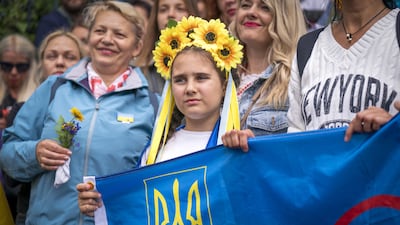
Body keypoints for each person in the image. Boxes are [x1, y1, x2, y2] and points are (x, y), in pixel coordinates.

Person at [0, 1, 155, 224]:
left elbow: (156, 183)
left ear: (137, 47)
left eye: (119, 34)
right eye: (100, 31)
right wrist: (34, 154)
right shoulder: (54, 88)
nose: (107, 39)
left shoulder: (151, 105)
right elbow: (8, 155)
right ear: (89, 37)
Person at [76, 16, 243, 216]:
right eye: (180, 80)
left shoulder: (236, 145)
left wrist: (247, 150)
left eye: (201, 78)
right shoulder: (156, 150)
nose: (190, 88)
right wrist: (100, 204)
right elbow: (138, 208)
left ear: (224, 86)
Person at [287, 0, 400, 141]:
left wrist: (394, 128)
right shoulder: (307, 47)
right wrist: (254, 150)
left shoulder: (395, 32)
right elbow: (294, 145)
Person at [3, 30, 85, 225]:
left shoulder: (91, 112)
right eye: (51, 56)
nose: (59, 62)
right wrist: (35, 155)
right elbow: (10, 177)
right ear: (40, 66)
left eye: (69, 56)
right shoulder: (21, 110)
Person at [229, 0, 306, 137]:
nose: (251, 12)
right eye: (245, 5)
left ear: (285, 18)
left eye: (265, 8)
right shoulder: (219, 72)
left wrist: (256, 146)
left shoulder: (298, 79)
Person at [135, 0, 200, 95]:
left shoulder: (210, 60)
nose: (170, 14)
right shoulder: (138, 68)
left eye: (180, 9)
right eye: (163, 10)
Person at [0, 34, 38, 130]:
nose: (14, 72)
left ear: (30, 66)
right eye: (7, 66)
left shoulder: (39, 95)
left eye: (21, 67)